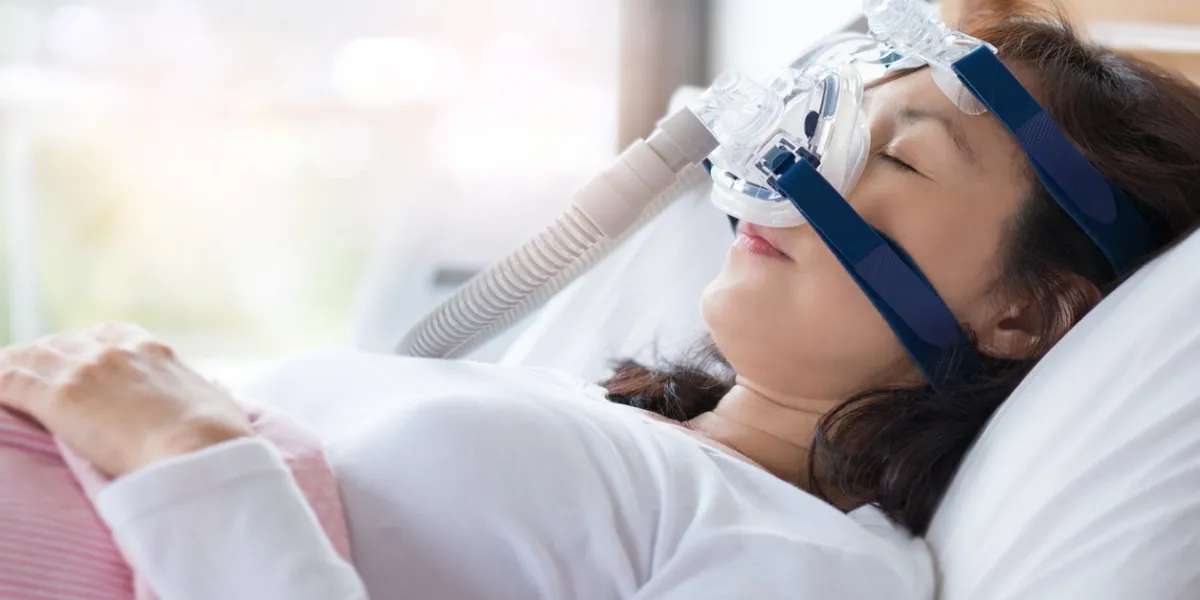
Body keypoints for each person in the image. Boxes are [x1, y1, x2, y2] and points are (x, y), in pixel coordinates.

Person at [4, 7, 1200, 600]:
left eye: (900, 159)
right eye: (830, 128)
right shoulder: (596, 415)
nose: (792, 174)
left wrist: (190, 451)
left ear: (1028, 315)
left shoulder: (810, 566)